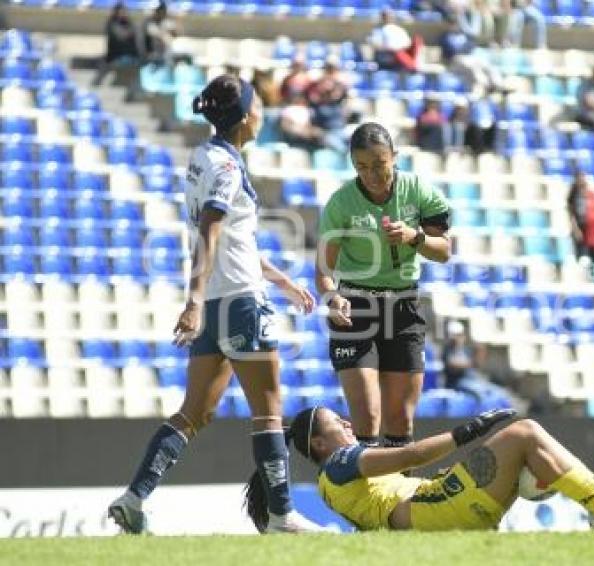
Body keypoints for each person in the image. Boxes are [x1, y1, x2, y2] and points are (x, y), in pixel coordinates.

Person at [107, 75, 321, 534]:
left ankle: (134, 497)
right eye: (259, 104)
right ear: (246, 116)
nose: (264, 111)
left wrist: (283, 281)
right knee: (268, 411)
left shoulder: (205, 159)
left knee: (194, 413)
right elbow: (210, 232)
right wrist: (193, 300)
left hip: (220, 305)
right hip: (239, 303)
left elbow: (231, 239)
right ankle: (282, 515)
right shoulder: (226, 167)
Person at [245, 407, 594, 531]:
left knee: (529, 445)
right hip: (437, 508)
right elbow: (410, 456)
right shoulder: (339, 462)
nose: (350, 426)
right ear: (320, 443)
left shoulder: (333, 480)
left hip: (435, 511)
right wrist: (469, 431)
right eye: (340, 423)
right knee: (525, 431)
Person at [315, 122, 452, 449]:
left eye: (379, 165)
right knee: (367, 416)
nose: (372, 175)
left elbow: (444, 251)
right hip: (355, 309)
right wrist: (332, 297)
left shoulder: (419, 191)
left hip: (404, 307)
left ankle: (398, 499)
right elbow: (323, 269)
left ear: (395, 157)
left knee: (400, 421)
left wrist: (415, 237)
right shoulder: (341, 203)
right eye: (362, 167)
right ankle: (364, 498)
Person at [442, 319, 512, 403]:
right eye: (457, 335)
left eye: (460, 335)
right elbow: (454, 365)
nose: (459, 338)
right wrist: (472, 362)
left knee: (498, 391)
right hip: (457, 383)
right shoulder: (448, 351)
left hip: (472, 379)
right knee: (480, 394)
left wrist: (481, 351)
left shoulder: (465, 350)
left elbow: (477, 365)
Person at [440, 16, 505, 96]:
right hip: (454, 60)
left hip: (468, 56)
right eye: (452, 24)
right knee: (472, 67)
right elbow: (450, 50)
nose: (454, 26)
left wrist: (464, 49)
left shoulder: (464, 35)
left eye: (455, 24)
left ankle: (498, 84)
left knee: (485, 63)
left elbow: (471, 45)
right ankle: (485, 85)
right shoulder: (445, 37)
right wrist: (463, 50)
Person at [305, 59, 349, 153]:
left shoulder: (338, 102)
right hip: (325, 134)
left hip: (340, 131)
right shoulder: (315, 104)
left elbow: (343, 91)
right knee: (338, 145)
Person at [92, 2, 140, 87]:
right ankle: (95, 85)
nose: (124, 13)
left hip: (130, 56)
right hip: (114, 56)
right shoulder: (112, 24)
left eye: (125, 11)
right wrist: (132, 31)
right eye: (122, 11)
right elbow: (122, 36)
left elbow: (136, 35)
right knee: (104, 64)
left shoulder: (129, 23)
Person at [143, 1, 180, 66]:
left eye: (158, 10)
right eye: (154, 10)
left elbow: (174, 36)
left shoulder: (168, 22)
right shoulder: (147, 23)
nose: (155, 12)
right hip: (152, 59)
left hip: (167, 57)